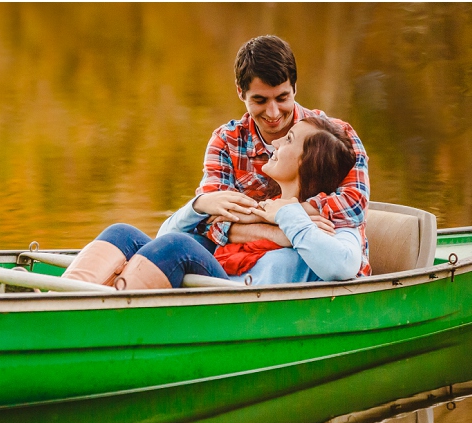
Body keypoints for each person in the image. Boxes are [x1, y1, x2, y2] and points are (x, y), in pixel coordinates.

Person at [62, 35, 371, 289]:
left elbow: (353, 208)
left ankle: (98, 318)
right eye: (260, 100)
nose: (275, 115)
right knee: (122, 233)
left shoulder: (334, 139)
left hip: (257, 288)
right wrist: (273, 222)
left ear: (294, 88)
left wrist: (283, 215)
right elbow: (212, 223)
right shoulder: (227, 140)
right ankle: (55, 303)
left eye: (282, 98)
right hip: (232, 264)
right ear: (242, 93)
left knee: (176, 248)